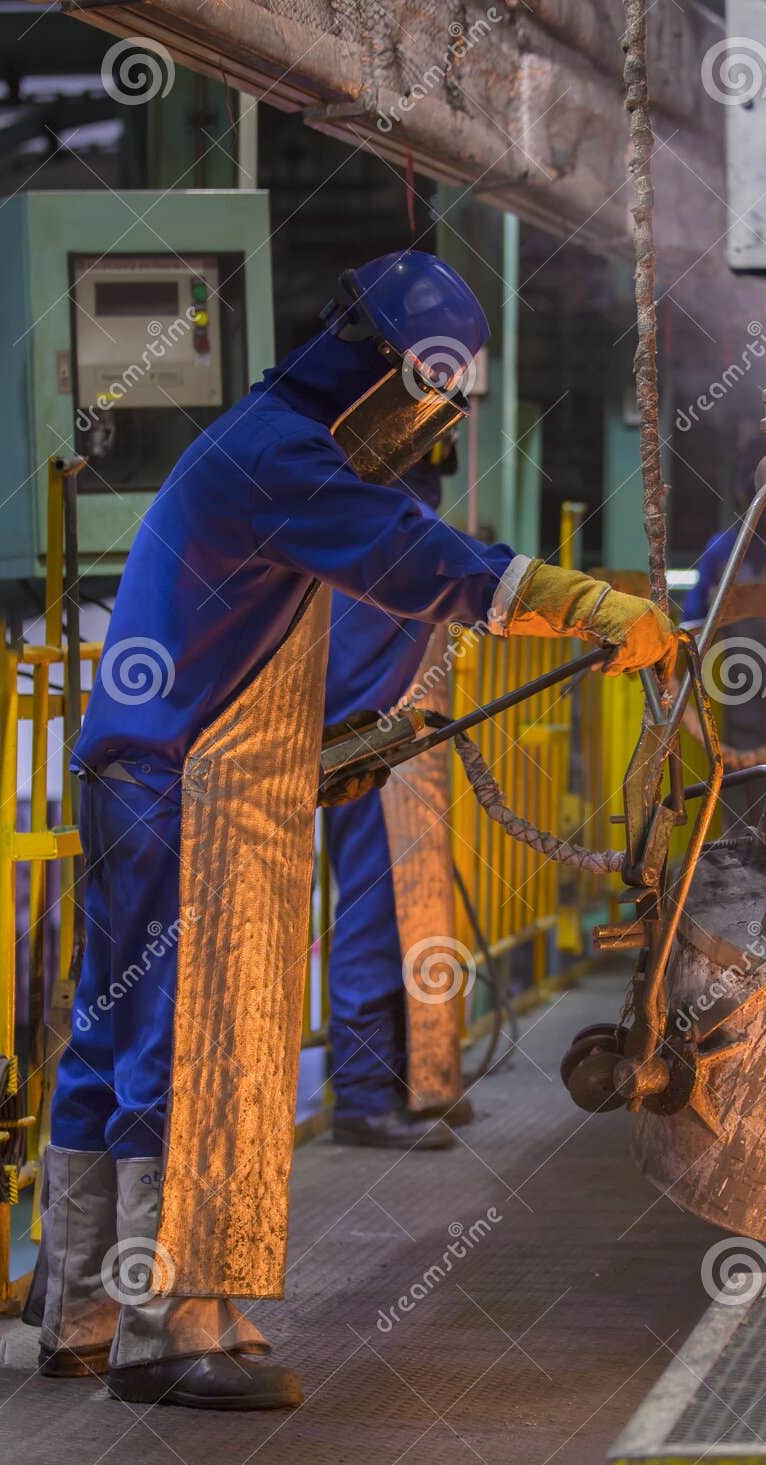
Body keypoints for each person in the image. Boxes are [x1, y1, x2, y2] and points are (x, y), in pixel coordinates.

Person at [27, 251, 676, 1411]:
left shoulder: (259, 445)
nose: (425, 429)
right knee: (187, 1046)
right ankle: (172, 1325)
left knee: (111, 1039)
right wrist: (575, 600)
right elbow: (413, 558)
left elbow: (238, 640)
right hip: (183, 787)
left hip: (149, 770)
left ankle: (80, 1310)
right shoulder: (278, 453)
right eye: (427, 401)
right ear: (385, 369)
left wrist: (308, 758)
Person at [321, 443, 464, 1151]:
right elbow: (479, 576)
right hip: (362, 756)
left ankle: (406, 1079)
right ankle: (364, 1095)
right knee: (374, 915)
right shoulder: (392, 535)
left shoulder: (358, 531)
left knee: (393, 911)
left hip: (375, 749)